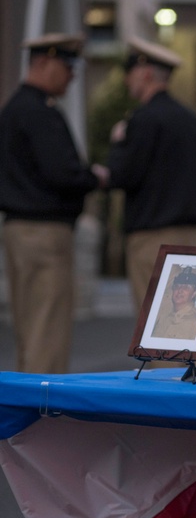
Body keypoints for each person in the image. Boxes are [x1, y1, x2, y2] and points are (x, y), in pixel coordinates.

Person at [0, 33, 107, 374]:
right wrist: (95, 178)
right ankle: (42, 416)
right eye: (67, 65)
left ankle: (25, 413)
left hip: (20, 227)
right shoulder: (38, 111)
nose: (72, 75)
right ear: (43, 62)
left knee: (30, 328)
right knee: (47, 330)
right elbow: (62, 173)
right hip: (45, 231)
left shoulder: (16, 107)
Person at [108, 36, 196, 311]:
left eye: (130, 75)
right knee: (182, 329)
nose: (128, 82)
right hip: (190, 236)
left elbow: (122, 175)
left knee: (155, 325)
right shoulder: (191, 120)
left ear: (146, 73)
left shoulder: (142, 119)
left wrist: (118, 143)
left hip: (152, 238)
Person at [152, 266, 196, 339]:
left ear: (194, 293)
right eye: (178, 286)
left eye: (186, 287)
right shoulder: (164, 316)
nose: (180, 290)